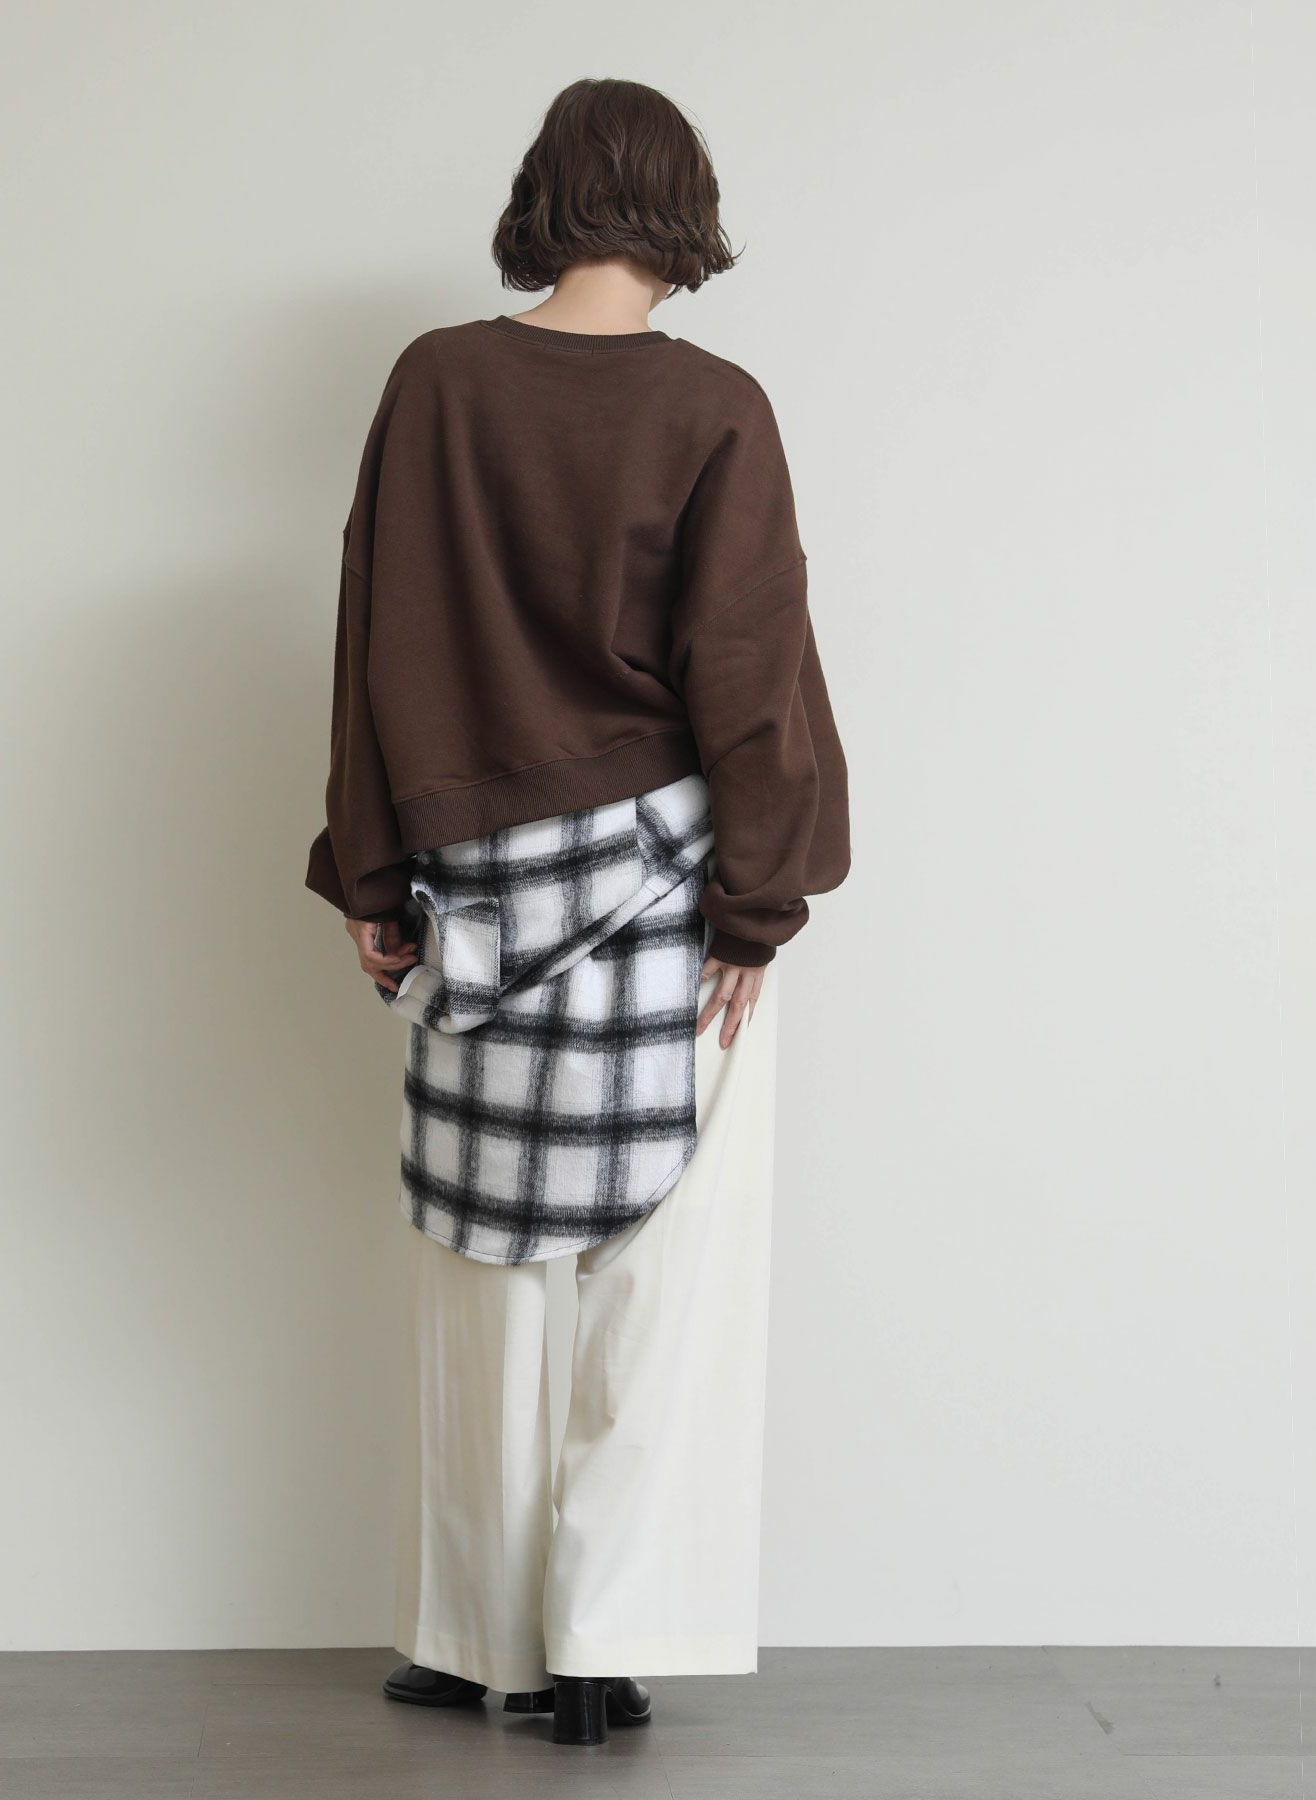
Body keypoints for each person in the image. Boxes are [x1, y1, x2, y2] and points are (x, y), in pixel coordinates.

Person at [306, 76, 849, 1749]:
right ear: (682, 204)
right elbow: (751, 672)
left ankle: (481, 1641)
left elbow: (372, 627)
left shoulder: (436, 381)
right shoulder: (717, 408)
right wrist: (757, 908)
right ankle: (608, 1641)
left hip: (479, 894)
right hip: (669, 892)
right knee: (660, 1280)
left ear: (544, 194)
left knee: (483, 1270)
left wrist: (369, 870)